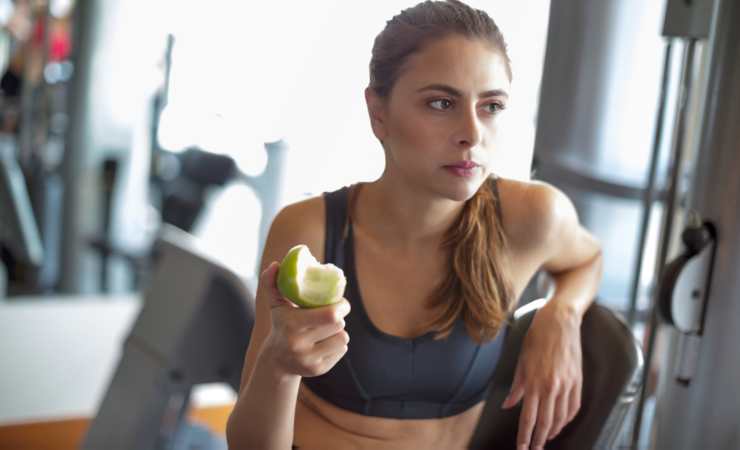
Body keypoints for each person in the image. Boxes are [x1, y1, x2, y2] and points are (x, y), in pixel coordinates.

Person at [226, 1, 603, 449]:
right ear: (378, 113)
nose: (472, 133)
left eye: (491, 106)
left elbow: (587, 259)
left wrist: (562, 311)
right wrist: (279, 367)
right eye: (441, 103)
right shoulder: (308, 232)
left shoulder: (531, 217)